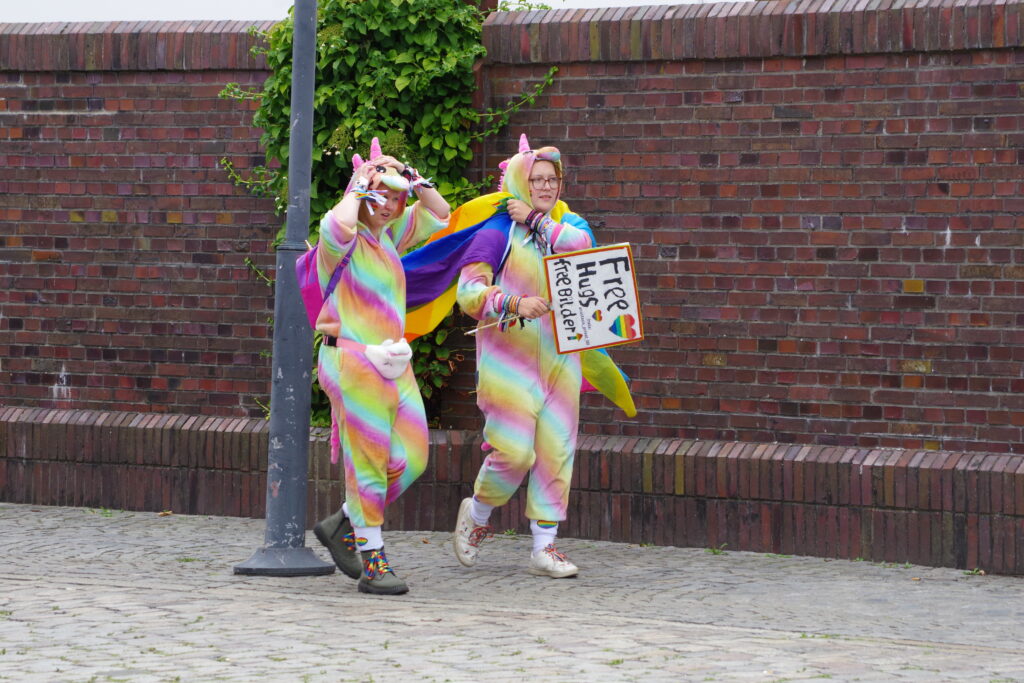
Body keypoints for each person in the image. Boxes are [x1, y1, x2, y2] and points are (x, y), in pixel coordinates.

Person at [311, 137, 450, 595]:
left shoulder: (388, 236)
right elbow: (337, 225)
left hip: (394, 361)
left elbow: (440, 212)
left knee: (412, 457)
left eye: (396, 197)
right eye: (383, 195)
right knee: (368, 463)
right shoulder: (339, 241)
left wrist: (410, 177)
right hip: (350, 358)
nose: (391, 205)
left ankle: (344, 522)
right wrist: (358, 186)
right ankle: (372, 559)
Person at [452, 135, 594, 578]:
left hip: (560, 359)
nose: (547, 187)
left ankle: (544, 547)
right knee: (513, 454)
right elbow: (467, 293)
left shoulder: (569, 225)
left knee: (557, 450)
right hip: (507, 364)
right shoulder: (496, 233)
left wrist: (537, 220)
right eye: (536, 180)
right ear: (518, 181)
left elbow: (583, 250)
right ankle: (476, 515)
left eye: (552, 180)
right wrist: (512, 303)